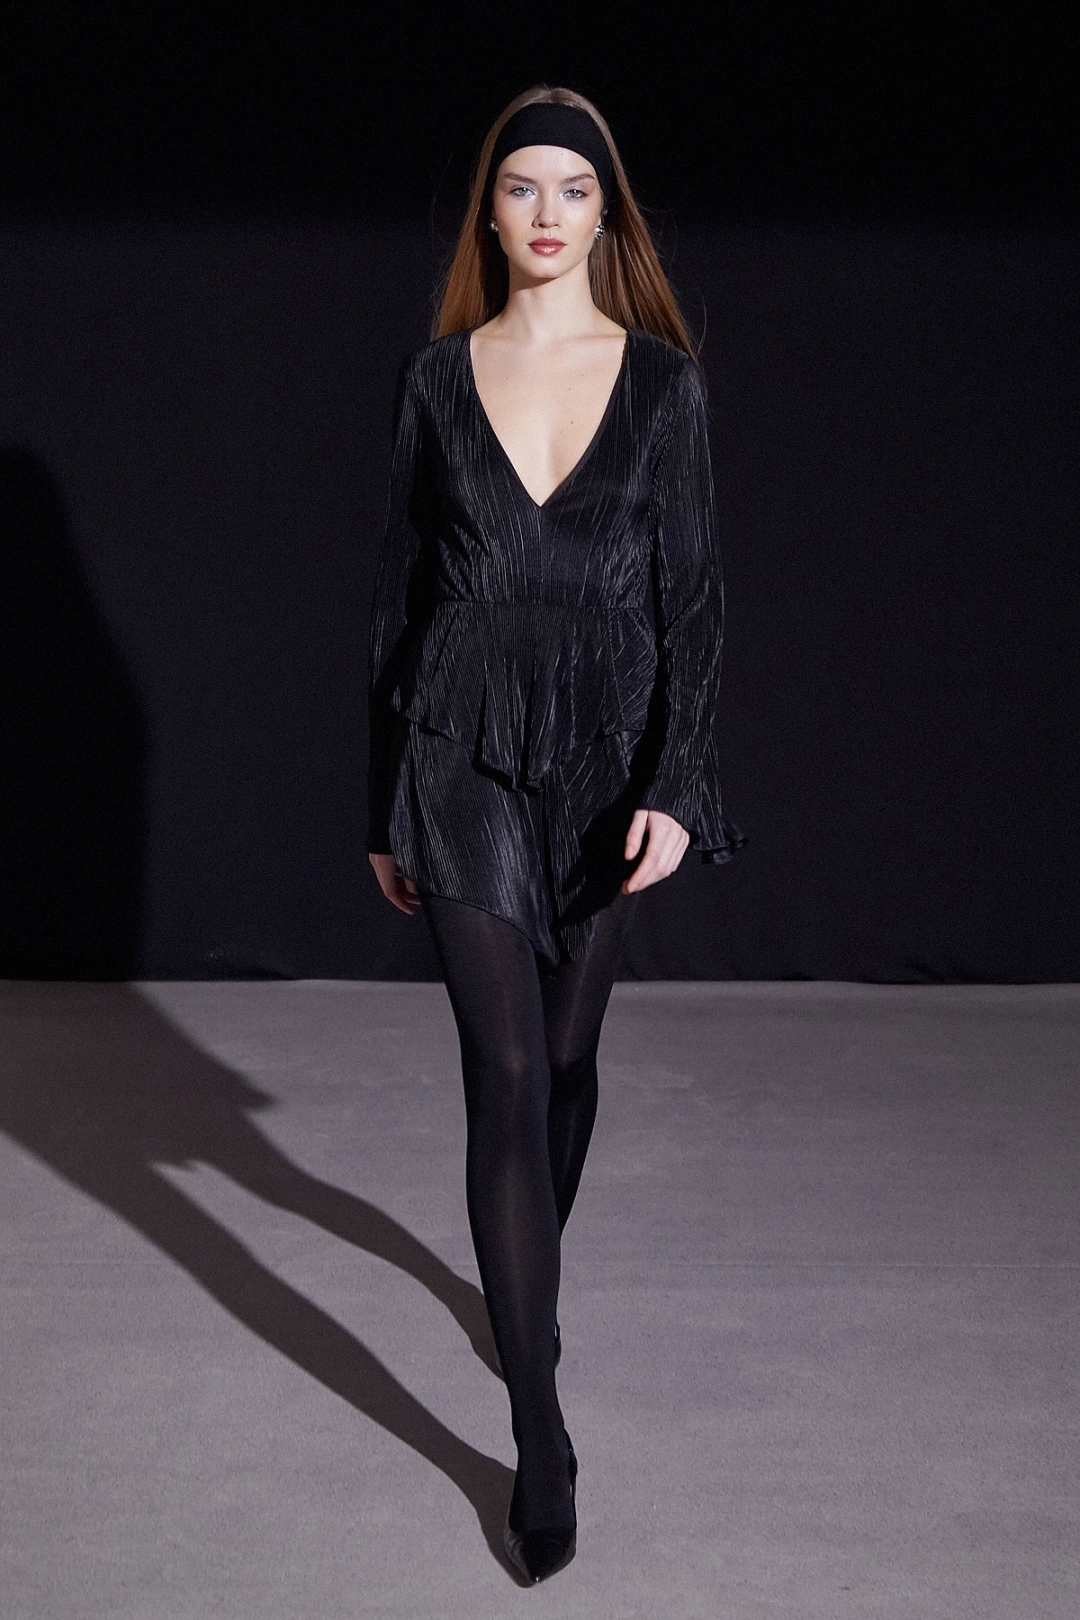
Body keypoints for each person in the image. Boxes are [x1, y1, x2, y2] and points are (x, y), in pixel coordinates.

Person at [365, 86, 744, 1585]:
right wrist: (381, 800)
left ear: (605, 211)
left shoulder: (663, 387)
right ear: (490, 207)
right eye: (519, 187)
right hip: (457, 743)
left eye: (571, 190)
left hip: (607, 751)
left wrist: (679, 782)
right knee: (507, 1074)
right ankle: (539, 1423)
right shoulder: (433, 379)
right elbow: (397, 598)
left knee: (569, 1062)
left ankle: (529, 1290)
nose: (543, 213)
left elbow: (694, 602)